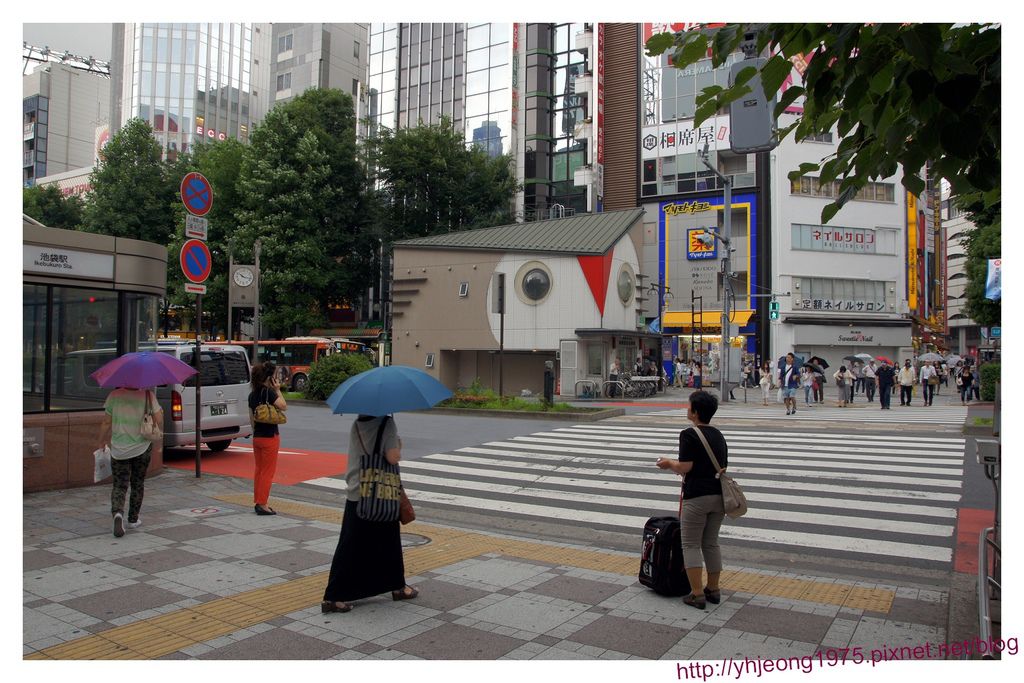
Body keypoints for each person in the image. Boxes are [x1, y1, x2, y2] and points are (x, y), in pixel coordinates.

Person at [322, 414, 418, 613]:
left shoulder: (358, 423)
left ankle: (335, 595)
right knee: (389, 541)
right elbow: (392, 456)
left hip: (357, 491)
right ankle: (398, 588)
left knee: (350, 544)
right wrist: (398, 445)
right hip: (380, 492)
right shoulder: (387, 423)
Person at [655, 390, 727, 610]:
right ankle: (713, 589)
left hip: (697, 497)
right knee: (711, 543)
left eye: (689, 406)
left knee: (691, 544)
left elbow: (686, 467)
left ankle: (697, 594)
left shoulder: (689, 434)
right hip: (719, 496)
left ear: (695, 412)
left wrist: (668, 463)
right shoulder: (718, 434)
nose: (687, 408)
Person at [97, 385, 163, 537]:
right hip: (142, 447)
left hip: (119, 448)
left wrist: (101, 441)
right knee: (138, 483)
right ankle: (133, 519)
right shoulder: (148, 395)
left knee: (119, 484)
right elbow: (158, 419)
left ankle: (118, 513)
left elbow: (106, 422)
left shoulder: (114, 395)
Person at [248, 361, 288, 515]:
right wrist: (278, 390)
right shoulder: (269, 393)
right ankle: (262, 504)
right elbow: (283, 406)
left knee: (259, 470)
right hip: (270, 437)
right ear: (269, 378)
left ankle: (258, 501)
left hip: (257, 436)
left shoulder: (252, 395)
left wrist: (255, 432)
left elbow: (251, 417)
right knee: (267, 472)